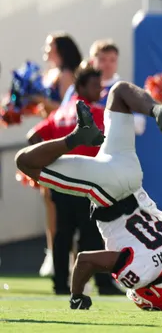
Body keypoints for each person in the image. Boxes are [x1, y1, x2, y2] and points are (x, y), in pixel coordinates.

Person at [15, 82, 162, 311]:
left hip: (131, 174)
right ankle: (75, 139)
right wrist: (77, 296)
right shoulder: (138, 273)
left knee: (119, 92)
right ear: (149, 293)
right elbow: (85, 260)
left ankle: (158, 111)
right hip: (107, 190)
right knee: (24, 162)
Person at [27, 65, 121, 296]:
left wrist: (47, 166)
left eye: (101, 87)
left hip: (61, 183)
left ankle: (60, 284)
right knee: (92, 236)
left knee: (63, 235)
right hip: (87, 183)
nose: (100, 91)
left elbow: (34, 136)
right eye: (94, 86)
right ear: (80, 87)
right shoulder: (96, 112)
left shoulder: (60, 112)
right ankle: (103, 284)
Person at [35, 32, 83, 278]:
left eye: (50, 46)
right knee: (48, 198)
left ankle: (64, 255)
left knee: (60, 200)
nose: (46, 50)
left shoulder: (66, 75)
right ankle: (53, 252)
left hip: (59, 142)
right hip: (48, 137)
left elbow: (67, 109)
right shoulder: (51, 74)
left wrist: (41, 100)